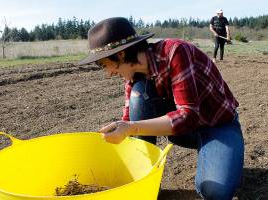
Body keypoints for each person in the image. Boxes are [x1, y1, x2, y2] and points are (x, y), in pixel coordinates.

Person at [78, 17, 244, 200]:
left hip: (218, 125)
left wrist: (132, 127)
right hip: (184, 132)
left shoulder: (175, 52)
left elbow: (187, 116)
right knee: (139, 93)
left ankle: (218, 152)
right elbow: (127, 120)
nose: (108, 73)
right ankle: (143, 179)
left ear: (121, 55)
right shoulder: (133, 76)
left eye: (105, 65)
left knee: (216, 192)